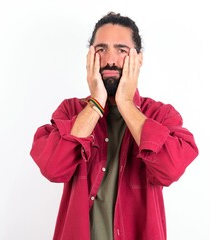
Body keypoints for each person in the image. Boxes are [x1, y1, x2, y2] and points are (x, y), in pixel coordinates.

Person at [30, 12, 198, 240]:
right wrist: (96, 104)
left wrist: (127, 104)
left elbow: (170, 169)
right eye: (101, 49)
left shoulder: (160, 115)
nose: (110, 60)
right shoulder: (70, 112)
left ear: (139, 59)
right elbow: (53, 168)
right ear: (90, 57)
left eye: (121, 50)